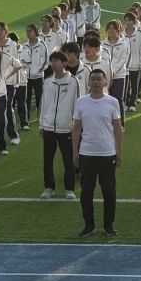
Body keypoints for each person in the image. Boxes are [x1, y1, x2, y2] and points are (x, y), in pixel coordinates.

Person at [72, 68, 123, 237]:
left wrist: (119, 152)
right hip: (87, 153)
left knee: (109, 191)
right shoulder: (81, 102)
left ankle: (109, 225)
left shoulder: (112, 102)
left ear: (105, 82)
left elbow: (118, 128)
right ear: (89, 82)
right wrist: (75, 152)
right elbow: (76, 128)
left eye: (99, 79)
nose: (95, 82)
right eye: (93, 79)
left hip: (107, 153)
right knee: (86, 192)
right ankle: (89, 225)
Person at [40, 51, 81, 200]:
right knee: (47, 159)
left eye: (56, 61)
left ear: (64, 63)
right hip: (49, 127)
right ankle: (49, 187)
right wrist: (42, 124)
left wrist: (75, 125)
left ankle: (69, 189)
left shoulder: (73, 81)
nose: (53, 64)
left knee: (68, 160)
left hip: (66, 127)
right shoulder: (47, 82)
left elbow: (77, 103)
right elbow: (43, 104)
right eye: (52, 61)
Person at [22, 24, 48, 118]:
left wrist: (39, 71)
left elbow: (45, 60)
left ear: (35, 32)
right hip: (26, 77)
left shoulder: (41, 44)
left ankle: (40, 115)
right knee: (26, 98)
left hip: (38, 76)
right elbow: (22, 59)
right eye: (27, 31)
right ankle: (27, 116)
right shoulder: (24, 45)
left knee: (39, 97)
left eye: (30, 31)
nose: (28, 33)